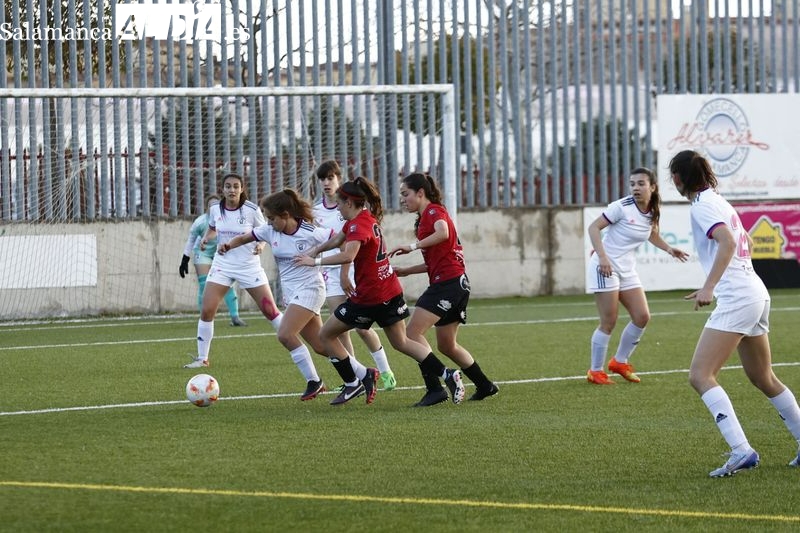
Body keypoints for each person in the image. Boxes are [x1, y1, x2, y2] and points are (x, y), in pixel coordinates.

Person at [669, 150, 800, 477]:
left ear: (679, 178)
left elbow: (727, 242)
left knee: (700, 376)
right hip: (754, 292)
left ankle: (742, 450)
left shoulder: (703, 205)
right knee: (763, 377)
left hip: (739, 297)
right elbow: (743, 242)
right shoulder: (719, 201)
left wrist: (710, 286)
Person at [295, 177, 465, 406]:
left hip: (370, 296)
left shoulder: (358, 225)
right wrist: (315, 250)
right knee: (402, 342)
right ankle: (447, 374)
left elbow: (347, 255)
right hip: (389, 290)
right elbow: (338, 239)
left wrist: (313, 262)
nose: (338, 208)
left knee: (326, 335)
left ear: (348, 203)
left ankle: (354, 382)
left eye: (339, 203)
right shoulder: (363, 218)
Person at [389, 172, 499, 405]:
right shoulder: (426, 216)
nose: (402, 199)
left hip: (447, 285)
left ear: (421, 193)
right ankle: (485, 385)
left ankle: (436, 387)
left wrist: (412, 246)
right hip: (455, 283)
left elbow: (444, 232)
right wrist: (407, 270)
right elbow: (436, 260)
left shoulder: (433, 211)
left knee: (411, 334)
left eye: (405, 194)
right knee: (447, 345)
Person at [219, 189, 335, 401]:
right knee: (320, 346)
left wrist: (320, 257)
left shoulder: (310, 231)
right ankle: (363, 373)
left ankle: (314, 381)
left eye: (272, 218)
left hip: (311, 289)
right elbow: (246, 237)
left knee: (285, 334)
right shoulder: (270, 231)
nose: (269, 222)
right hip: (293, 294)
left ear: (286, 215)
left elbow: (339, 239)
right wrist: (229, 245)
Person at [585, 167, 689, 385]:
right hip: (605, 267)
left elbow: (651, 234)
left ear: (652, 187)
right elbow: (594, 228)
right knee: (609, 321)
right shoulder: (621, 207)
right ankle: (595, 371)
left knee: (642, 316)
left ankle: (620, 362)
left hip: (627, 269)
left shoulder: (652, 209)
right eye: (632, 183)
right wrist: (603, 258)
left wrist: (670, 249)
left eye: (641, 183)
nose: (635, 188)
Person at [184, 173, 283, 369]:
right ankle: (202, 358)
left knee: (270, 311)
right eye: (228, 186)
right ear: (223, 189)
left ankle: (294, 341)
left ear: (242, 188)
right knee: (207, 309)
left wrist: (261, 246)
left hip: (249, 265)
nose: (232, 190)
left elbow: (265, 232)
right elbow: (212, 229)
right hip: (223, 265)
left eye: (236, 186)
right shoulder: (215, 209)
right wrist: (206, 238)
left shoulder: (252, 210)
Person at [313, 160, 397, 391]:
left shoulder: (355, 210)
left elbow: (346, 250)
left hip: (352, 269)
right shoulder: (315, 211)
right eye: (322, 179)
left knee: (362, 328)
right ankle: (356, 378)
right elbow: (331, 241)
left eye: (330, 177)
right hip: (331, 273)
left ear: (339, 179)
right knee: (339, 329)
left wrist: (343, 273)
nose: (326, 183)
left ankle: (386, 371)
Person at [179, 194, 247, 327]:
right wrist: (185, 259)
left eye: (216, 204)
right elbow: (191, 240)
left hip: (220, 253)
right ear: (207, 208)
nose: (214, 207)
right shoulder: (200, 222)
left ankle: (235, 317)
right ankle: (204, 318)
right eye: (211, 205)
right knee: (204, 285)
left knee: (227, 284)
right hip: (202, 253)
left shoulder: (227, 220)